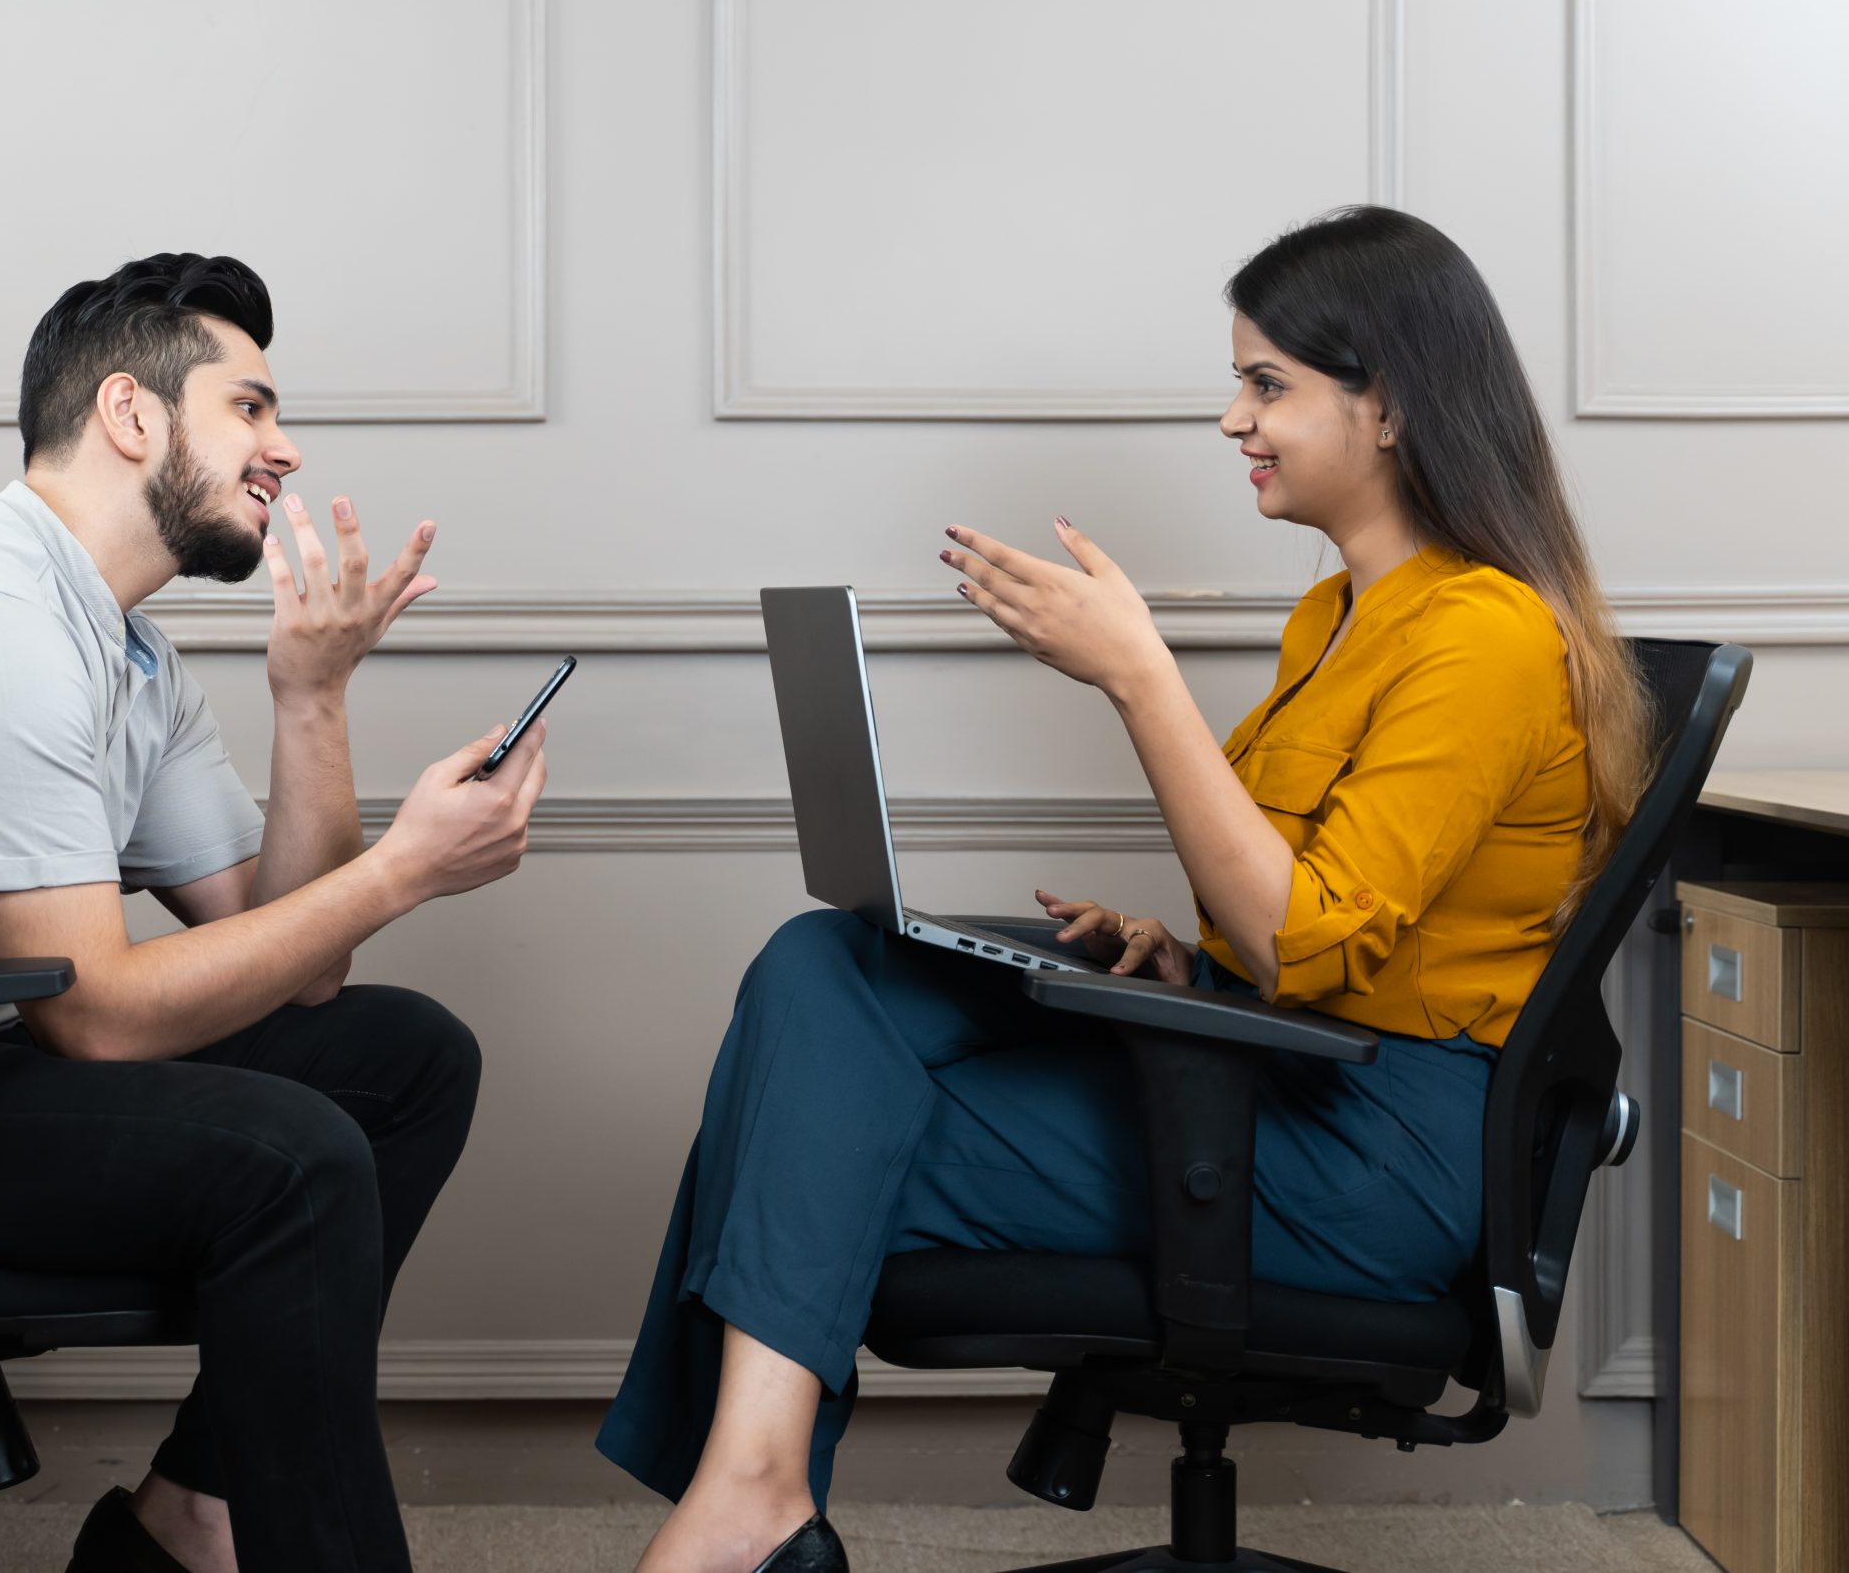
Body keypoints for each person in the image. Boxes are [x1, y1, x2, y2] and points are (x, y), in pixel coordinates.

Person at [595, 207, 1653, 1573]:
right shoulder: (1341, 616)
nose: (1233, 419)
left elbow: (1302, 939)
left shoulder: (1488, 641)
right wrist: (1170, 949)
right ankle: (753, 1489)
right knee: (823, 964)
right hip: (1282, 1061)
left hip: (1373, 1151)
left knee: (825, 1121)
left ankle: (750, 1497)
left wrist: (1139, 676)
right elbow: (1294, 909)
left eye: (1268, 385)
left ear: (1387, 407)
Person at [0, 254, 548, 1573]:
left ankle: (189, 1520)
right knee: (292, 1156)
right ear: (131, 414)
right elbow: (103, 1022)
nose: (285, 449)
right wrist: (403, 868)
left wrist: (312, 699)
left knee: (402, 1060)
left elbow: (290, 967)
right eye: (250, 407)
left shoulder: (123, 647)